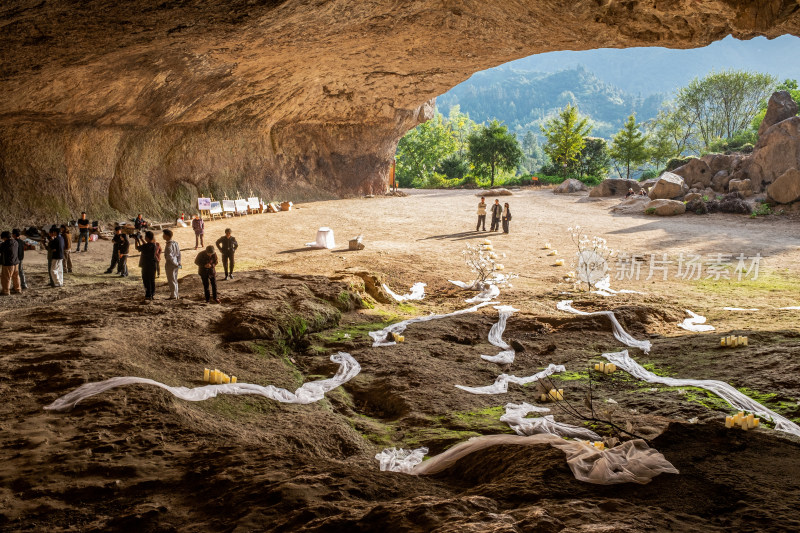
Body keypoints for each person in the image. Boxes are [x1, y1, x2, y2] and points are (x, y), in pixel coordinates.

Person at [135, 231, 158, 300]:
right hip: (152, 264)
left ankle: (148, 295)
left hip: (146, 265)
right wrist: (141, 239)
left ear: (147, 238)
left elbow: (137, 248)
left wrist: (136, 240)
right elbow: (146, 245)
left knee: (146, 280)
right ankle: (152, 293)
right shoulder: (154, 245)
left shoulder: (146, 246)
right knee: (152, 279)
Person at [0, 231, 21, 295]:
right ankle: (17, 289)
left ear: (4, 237)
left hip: (8, 263)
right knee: (16, 277)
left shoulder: (5, 244)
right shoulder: (15, 242)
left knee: (6, 277)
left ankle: (6, 291)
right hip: (16, 262)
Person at [163, 229, 181, 300]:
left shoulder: (169, 245)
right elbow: (179, 253)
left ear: (167, 236)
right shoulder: (175, 243)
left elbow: (170, 257)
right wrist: (178, 262)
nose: (163, 236)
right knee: (175, 279)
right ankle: (176, 294)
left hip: (171, 264)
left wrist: (176, 263)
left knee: (171, 279)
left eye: (164, 235)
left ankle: (173, 295)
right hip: (176, 262)